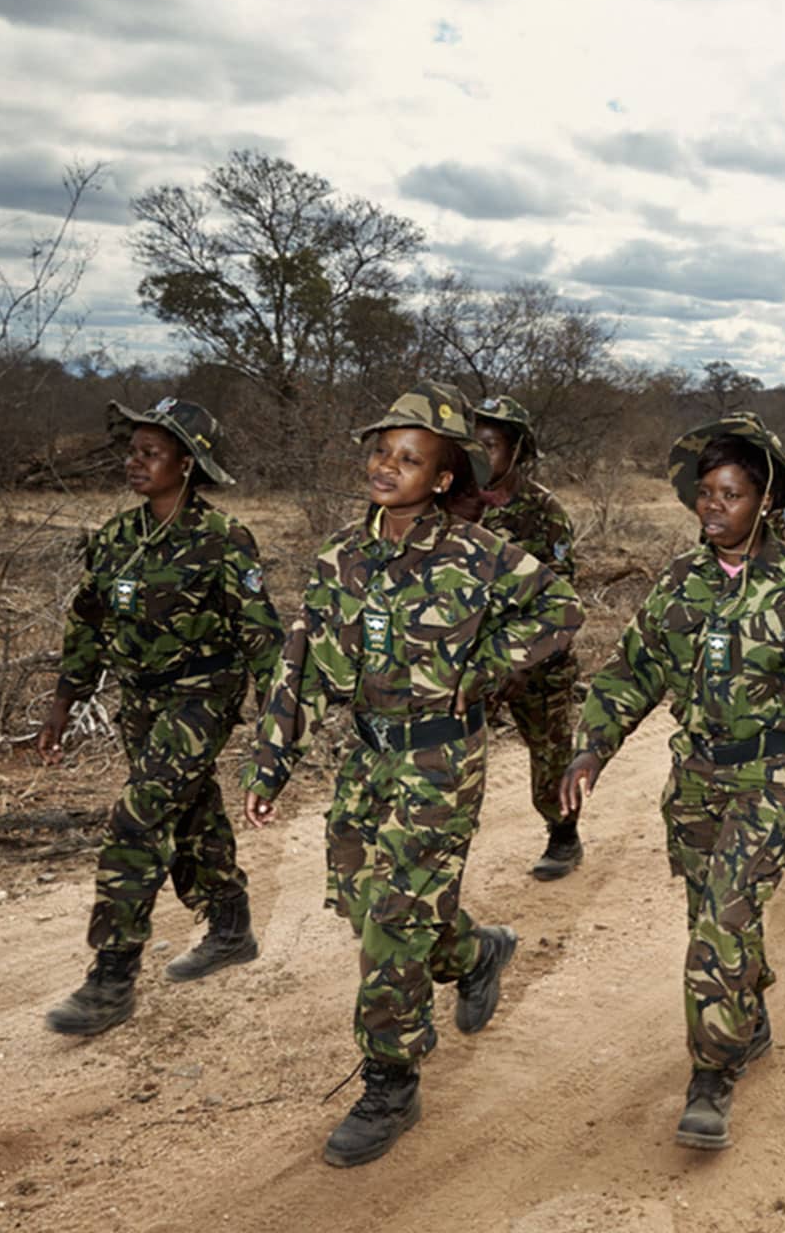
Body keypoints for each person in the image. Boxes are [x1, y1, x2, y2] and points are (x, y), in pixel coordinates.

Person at [241, 380, 584, 1168]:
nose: (387, 466)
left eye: (409, 458)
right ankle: (474, 953)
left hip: (441, 760)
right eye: (380, 452)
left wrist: (492, 664)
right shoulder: (340, 557)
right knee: (366, 906)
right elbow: (298, 662)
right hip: (367, 759)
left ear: (442, 479)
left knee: (393, 924)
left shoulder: (479, 552)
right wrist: (272, 763)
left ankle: (391, 1082)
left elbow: (561, 611)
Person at [559, 414, 785, 1151]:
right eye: (705, 493)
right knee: (711, 912)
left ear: (764, 500)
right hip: (696, 777)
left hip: (772, 774)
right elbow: (631, 674)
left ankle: (712, 1074)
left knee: (723, 919)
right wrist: (590, 752)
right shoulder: (680, 582)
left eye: (730, 493)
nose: (713, 507)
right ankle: (745, 1008)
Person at [40, 397, 283, 1037]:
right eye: (134, 450)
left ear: (187, 463)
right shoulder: (116, 538)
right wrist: (63, 705)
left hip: (203, 695)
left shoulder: (223, 537)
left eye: (151, 453)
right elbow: (86, 624)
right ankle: (231, 927)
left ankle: (112, 977)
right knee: (192, 806)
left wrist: (275, 729)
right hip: (140, 700)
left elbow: (261, 636)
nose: (135, 462)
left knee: (139, 815)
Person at [445, 395, 585, 881]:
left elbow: (562, 599)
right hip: (467, 660)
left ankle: (563, 835)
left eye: (491, 444)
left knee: (549, 752)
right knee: (446, 760)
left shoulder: (543, 511)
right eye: (473, 445)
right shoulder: (453, 502)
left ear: (518, 450)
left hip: (537, 664)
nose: (481, 455)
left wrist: (523, 663)